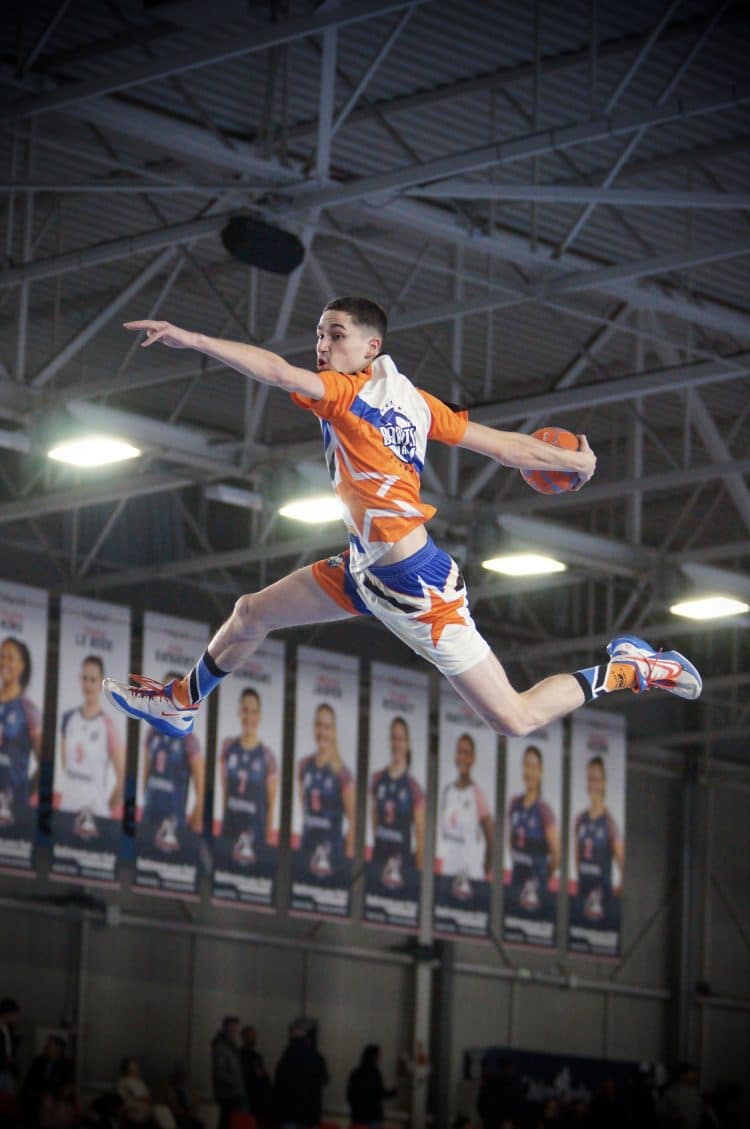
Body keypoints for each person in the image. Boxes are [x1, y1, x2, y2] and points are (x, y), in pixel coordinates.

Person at [103, 300, 702, 744]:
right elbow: (504, 448)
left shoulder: (347, 394)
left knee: (515, 719)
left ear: (370, 348)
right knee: (249, 614)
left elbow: (277, 373)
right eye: (317, 334)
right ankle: (181, 702)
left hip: (419, 588)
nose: (321, 345)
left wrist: (195, 337)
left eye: (335, 335)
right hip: (365, 572)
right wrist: (571, 459)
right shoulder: (412, 399)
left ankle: (632, 667)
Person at [58, 655, 125, 839]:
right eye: (85, 678)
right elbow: (66, 765)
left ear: (101, 684)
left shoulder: (108, 726)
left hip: (94, 815)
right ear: (79, 679)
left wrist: (104, 807)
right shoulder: (68, 718)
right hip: (68, 807)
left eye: (93, 680)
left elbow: (122, 777)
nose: (88, 684)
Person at [140, 672, 205, 853]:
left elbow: (200, 787)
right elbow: (146, 774)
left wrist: (193, 819)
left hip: (175, 820)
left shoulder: (189, 739)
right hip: (150, 813)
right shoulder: (151, 732)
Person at [219, 688, 278, 866]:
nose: (249, 717)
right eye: (245, 710)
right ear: (239, 712)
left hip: (255, 840)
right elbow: (225, 794)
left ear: (259, 716)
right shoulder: (228, 747)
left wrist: (266, 845)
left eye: (253, 712)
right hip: (229, 834)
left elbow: (270, 807)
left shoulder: (268, 757)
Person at [296, 702, 355, 880]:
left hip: (332, 858)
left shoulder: (343, 774)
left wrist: (345, 865)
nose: (322, 732)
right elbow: (304, 810)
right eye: (319, 725)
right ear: (314, 727)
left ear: (334, 731)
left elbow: (353, 824)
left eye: (328, 727)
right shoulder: (304, 765)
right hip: (305, 853)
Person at [369, 716, 424, 894]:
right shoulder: (377, 779)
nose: (396, 743)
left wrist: (417, 877)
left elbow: (420, 837)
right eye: (393, 738)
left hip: (403, 865)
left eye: (400, 738)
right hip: (378, 861)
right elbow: (374, 823)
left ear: (407, 743)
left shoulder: (414, 788)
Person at [570, 756, 624, 932]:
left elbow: (623, 865)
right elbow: (577, 859)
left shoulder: (609, 824)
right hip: (583, 896)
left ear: (603, 783)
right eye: (589, 779)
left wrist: (613, 897)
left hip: (602, 900)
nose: (591, 784)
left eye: (595, 779)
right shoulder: (580, 819)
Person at [506, 745, 560, 918]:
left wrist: (542, 875)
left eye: (534, 767)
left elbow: (556, 855)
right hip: (516, 886)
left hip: (536, 893)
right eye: (526, 765)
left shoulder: (544, 811)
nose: (529, 772)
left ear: (540, 771)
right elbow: (510, 841)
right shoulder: (514, 803)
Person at [439, 732, 493, 883]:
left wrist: (483, 871)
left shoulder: (477, 794)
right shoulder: (447, 792)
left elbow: (491, 838)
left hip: (471, 875)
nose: (462, 757)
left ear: (472, 758)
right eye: (459, 752)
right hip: (448, 871)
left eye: (466, 753)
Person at [0, 637, 42, 830]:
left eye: (10, 658)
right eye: (2, 656)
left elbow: (44, 764)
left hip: (12, 810)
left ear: (22, 665)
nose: (4, 662)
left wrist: (24, 792)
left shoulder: (29, 711)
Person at [273, 1019, 328, 1129]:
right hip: (309, 1113)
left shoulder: (289, 1053)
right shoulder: (317, 1057)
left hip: (289, 1111)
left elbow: (280, 1081)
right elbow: (324, 1079)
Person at [21, 1034, 77, 1128]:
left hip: (57, 1097)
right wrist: (41, 1093)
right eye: (46, 1046)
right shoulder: (38, 1062)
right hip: (38, 1095)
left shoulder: (66, 1065)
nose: (46, 1048)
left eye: (49, 1046)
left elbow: (68, 1084)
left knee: (59, 1107)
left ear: (59, 1050)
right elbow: (28, 1082)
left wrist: (58, 1095)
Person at [116, 1057, 175, 1129]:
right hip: (135, 1113)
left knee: (162, 1109)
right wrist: (157, 1100)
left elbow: (146, 1097)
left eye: (137, 1067)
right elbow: (143, 1098)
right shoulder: (128, 1081)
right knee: (161, 1109)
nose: (138, 1069)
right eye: (135, 1067)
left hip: (142, 1111)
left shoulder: (138, 1081)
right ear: (129, 1069)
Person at [346, 1043, 396, 1128]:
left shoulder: (355, 1073)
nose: (380, 1058)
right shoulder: (375, 1073)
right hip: (373, 1117)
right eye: (379, 1055)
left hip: (357, 1117)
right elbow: (380, 1094)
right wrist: (394, 1092)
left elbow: (349, 1095)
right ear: (374, 1057)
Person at [210, 1017, 247, 1129]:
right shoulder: (222, 1047)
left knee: (228, 1122)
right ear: (225, 1029)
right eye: (232, 1030)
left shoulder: (231, 1047)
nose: (234, 1033)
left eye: (236, 1030)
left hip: (232, 1093)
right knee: (228, 1122)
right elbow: (219, 1072)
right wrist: (235, 1082)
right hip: (229, 1094)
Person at [239, 1026, 272, 1123]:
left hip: (258, 1099)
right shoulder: (240, 1056)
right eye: (251, 1036)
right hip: (246, 1096)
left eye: (254, 1035)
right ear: (244, 1037)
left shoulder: (256, 1056)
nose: (253, 1038)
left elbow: (262, 1075)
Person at [0, 997, 21, 1123]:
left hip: (7, 1067)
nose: (16, 1018)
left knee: (10, 1099)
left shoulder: (8, 1028)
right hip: (1, 1067)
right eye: (15, 1014)